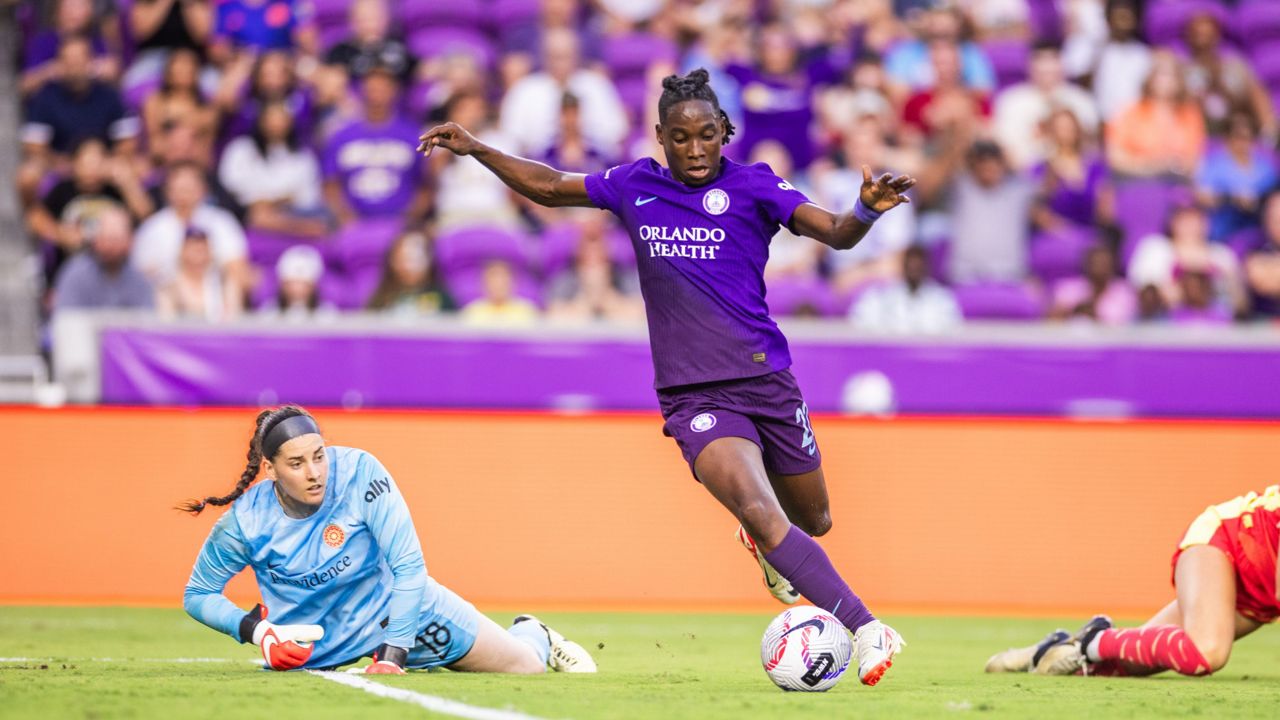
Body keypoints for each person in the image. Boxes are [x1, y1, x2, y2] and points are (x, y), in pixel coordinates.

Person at [419, 67, 914, 686]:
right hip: (694, 394)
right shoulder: (635, 185)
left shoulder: (757, 186)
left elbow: (836, 234)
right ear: (660, 137)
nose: (695, 149)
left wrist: (864, 212)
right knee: (761, 510)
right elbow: (548, 187)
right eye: (681, 138)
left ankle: (770, 545)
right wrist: (478, 147)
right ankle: (869, 628)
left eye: (706, 135)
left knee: (811, 521)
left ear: (723, 132)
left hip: (768, 381)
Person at [181, 405, 597, 674]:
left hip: (397, 615)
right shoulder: (246, 522)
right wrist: (258, 632)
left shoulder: (362, 473)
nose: (314, 472)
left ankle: (533, 632)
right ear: (270, 471)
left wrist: (394, 654)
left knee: (525, 668)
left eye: (319, 455)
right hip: (314, 643)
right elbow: (198, 594)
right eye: (296, 463)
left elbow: (409, 567)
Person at [986, 485, 1280, 677]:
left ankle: (1051, 650)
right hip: (1227, 541)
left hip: (1260, 589)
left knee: (1122, 665)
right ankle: (1094, 638)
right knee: (1206, 651)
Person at [52, 205, 155, 312]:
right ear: (94, 240)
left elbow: (146, 322)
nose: (108, 246)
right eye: (103, 238)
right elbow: (65, 319)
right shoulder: (75, 273)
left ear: (130, 241)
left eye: (114, 240)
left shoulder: (139, 278)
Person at [850, 245, 962, 333]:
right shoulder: (882, 295)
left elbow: (953, 329)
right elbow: (861, 322)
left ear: (925, 268)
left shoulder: (942, 299)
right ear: (903, 267)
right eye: (910, 267)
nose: (914, 272)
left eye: (918, 268)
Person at [1048, 244, 1136, 326]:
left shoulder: (1125, 291)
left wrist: (1094, 317)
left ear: (1113, 265)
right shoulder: (1068, 289)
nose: (1099, 267)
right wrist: (1073, 313)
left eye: (1104, 263)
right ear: (1086, 264)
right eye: (1095, 263)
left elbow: (1124, 324)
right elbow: (1052, 321)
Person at [459, 261, 540, 327]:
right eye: (493, 279)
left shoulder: (527, 311)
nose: (498, 284)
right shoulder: (472, 312)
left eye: (503, 279)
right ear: (483, 283)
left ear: (512, 282)